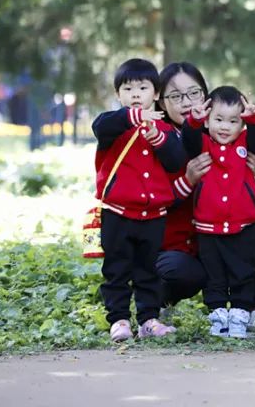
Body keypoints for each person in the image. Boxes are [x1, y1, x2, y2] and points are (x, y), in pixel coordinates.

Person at [156, 63, 255, 336]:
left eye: (193, 93)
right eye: (175, 96)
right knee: (186, 272)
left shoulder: (225, 135)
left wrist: (246, 170)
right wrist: (187, 180)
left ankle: (250, 309)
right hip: (180, 242)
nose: (186, 102)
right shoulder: (159, 136)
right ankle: (155, 301)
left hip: (227, 226)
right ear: (161, 100)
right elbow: (154, 201)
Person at [92, 58, 185, 342]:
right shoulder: (114, 124)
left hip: (153, 216)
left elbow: (175, 161)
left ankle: (148, 319)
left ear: (155, 94)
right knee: (117, 270)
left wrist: (157, 136)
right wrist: (133, 118)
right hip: (117, 213)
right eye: (127, 88)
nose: (135, 94)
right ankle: (119, 319)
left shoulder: (166, 131)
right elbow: (100, 127)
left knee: (148, 271)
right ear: (118, 94)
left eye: (143, 88)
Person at [176, 87, 255, 338]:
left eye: (233, 121)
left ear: (242, 125)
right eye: (218, 119)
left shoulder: (245, 144)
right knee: (214, 273)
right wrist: (194, 121)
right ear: (208, 120)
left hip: (243, 224)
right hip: (208, 225)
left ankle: (240, 314)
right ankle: (218, 314)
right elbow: (188, 138)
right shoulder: (203, 144)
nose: (225, 127)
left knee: (243, 270)